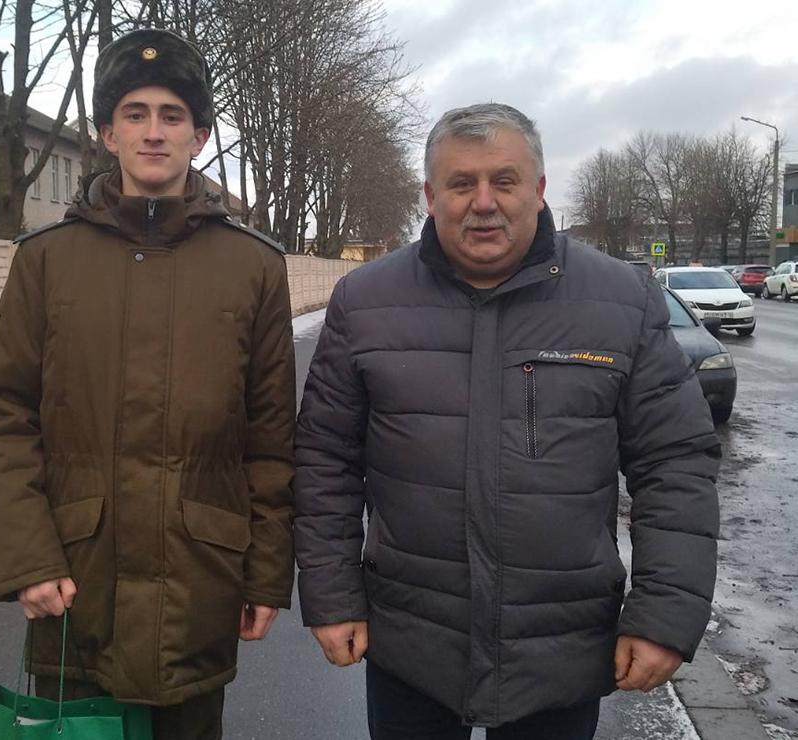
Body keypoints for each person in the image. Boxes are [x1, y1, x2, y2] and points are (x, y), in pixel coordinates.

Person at [293, 103, 721, 739]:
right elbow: (325, 460)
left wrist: (662, 615)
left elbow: (674, 463)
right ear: (430, 197)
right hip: (411, 639)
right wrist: (332, 597)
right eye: (461, 183)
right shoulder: (366, 301)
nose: (484, 202)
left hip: (561, 645)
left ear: (539, 189)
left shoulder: (621, 300)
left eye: (504, 181)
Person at [0, 28, 296, 740]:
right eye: (135, 113)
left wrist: (267, 572)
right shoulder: (47, 261)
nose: (154, 131)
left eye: (172, 115)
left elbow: (270, 438)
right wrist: (28, 558)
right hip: (76, 586)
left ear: (199, 136)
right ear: (107, 133)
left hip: (199, 587)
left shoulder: (253, 267)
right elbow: (1, 413)